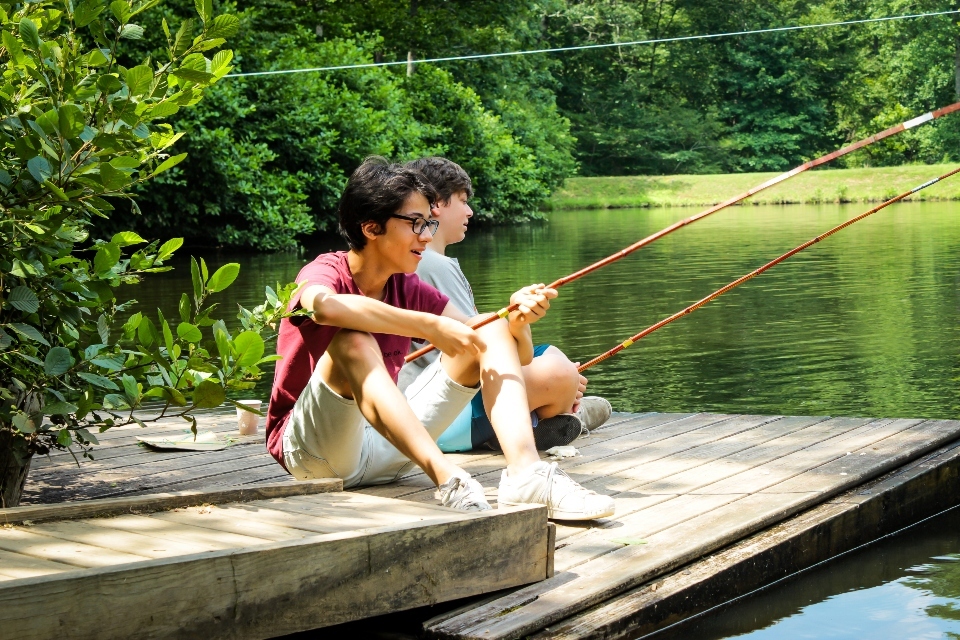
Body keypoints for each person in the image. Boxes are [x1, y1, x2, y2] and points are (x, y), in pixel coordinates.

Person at [265, 157, 615, 521]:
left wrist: (517, 321)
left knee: (486, 326)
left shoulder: (407, 285)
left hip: (390, 452)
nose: (427, 236)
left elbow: (507, 351)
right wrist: (429, 326)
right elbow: (325, 308)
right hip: (315, 456)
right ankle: (449, 479)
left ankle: (527, 476)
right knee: (353, 341)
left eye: (429, 223)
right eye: (415, 224)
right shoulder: (323, 271)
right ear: (371, 227)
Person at [398, 157, 613, 453]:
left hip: (432, 413)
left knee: (550, 357)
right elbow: (480, 349)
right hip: (444, 420)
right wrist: (562, 376)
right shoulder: (432, 264)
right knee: (557, 368)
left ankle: (554, 411)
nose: (470, 211)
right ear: (436, 204)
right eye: (462, 200)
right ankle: (557, 414)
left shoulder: (418, 263)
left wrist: (518, 324)